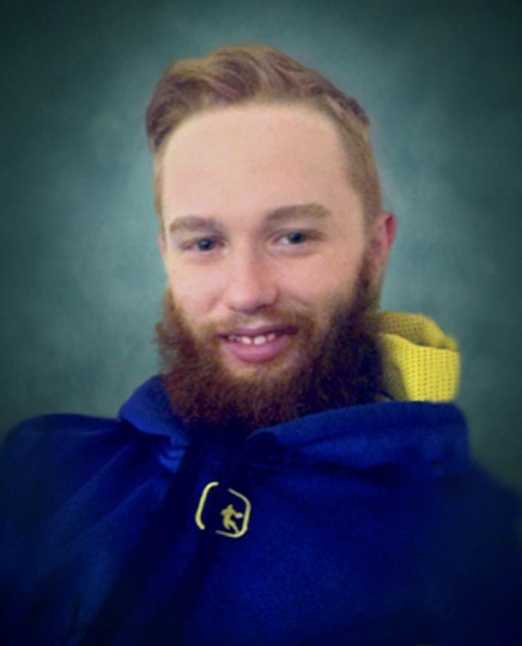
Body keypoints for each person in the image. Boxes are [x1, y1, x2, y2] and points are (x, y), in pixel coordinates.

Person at [0, 42, 520, 646]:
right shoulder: (39, 475)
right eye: (204, 244)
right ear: (167, 255)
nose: (247, 292)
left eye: (293, 236)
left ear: (375, 251)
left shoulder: (482, 561)